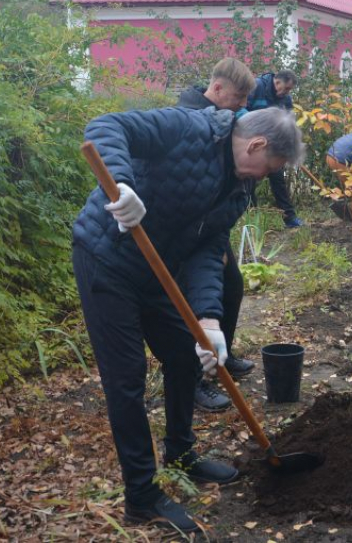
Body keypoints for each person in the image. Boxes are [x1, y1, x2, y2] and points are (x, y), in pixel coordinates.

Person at [73, 106, 303, 532]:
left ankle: (181, 453)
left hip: (158, 266)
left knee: (184, 355)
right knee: (126, 378)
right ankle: (141, 496)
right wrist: (121, 185)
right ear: (256, 144)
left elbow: (207, 248)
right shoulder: (189, 128)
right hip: (106, 258)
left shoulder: (238, 189)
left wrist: (210, 321)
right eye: (264, 169)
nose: (259, 178)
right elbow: (107, 126)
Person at [178, 58, 258, 413]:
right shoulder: (189, 116)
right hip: (184, 231)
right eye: (239, 96)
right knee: (188, 305)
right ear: (219, 88)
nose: (243, 104)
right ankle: (194, 380)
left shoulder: (226, 117)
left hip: (211, 225)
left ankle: (221, 355)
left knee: (232, 286)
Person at [246, 69, 304, 228]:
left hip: (273, 147)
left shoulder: (285, 99)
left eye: (289, 90)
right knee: (249, 182)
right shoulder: (257, 87)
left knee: (278, 180)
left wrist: (292, 144)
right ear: (277, 81)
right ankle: (251, 220)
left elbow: (289, 123)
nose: (286, 93)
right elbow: (243, 109)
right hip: (253, 145)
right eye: (285, 88)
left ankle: (290, 218)